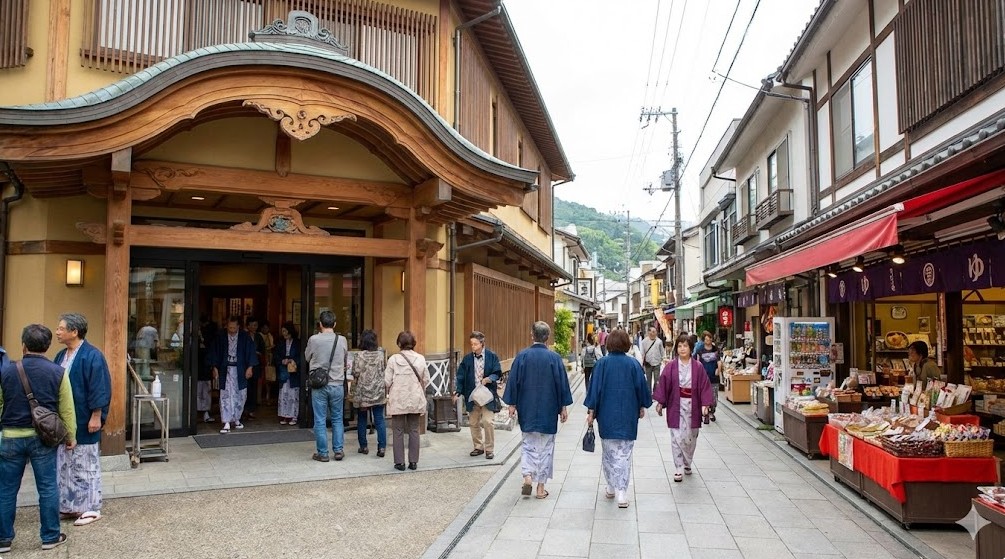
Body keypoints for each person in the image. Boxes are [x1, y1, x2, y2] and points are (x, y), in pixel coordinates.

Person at [0, 324, 77, 552]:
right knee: (47, 487)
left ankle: (3, 539)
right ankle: (50, 536)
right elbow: (67, 409)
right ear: (47, 346)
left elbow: (1, 404)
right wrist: (70, 436)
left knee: (6, 489)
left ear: (23, 345)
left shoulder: (7, 371)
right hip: (43, 438)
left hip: (11, 436)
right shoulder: (57, 372)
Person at [503, 321, 573, 500]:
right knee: (546, 448)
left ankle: (527, 475)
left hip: (527, 407)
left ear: (532, 335)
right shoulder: (554, 358)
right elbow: (562, 385)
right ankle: (540, 488)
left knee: (528, 444)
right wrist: (563, 407)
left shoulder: (522, 356)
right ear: (547, 338)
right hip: (549, 408)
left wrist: (512, 404)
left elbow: (514, 382)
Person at [53, 312, 111, 527]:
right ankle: (70, 505)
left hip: (85, 417)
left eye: (61, 328)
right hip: (65, 420)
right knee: (66, 463)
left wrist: (97, 415)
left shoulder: (92, 355)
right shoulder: (61, 355)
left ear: (74, 331)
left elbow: (100, 387)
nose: (57, 332)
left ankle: (91, 506)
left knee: (86, 463)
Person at [584, 329, 652, 508]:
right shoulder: (633, 365)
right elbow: (642, 388)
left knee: (609, 454)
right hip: (628, 415)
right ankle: (622, 492)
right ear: (626, 344)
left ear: (609, 344)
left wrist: (591, 411)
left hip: (606, 415)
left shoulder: (601, 365)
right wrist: (642, 405)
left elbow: (594, 390)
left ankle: (611, 487)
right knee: (624, 455)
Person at [653, 334, 714, 483]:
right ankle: (678, 467)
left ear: (690, 348)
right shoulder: (671, 366)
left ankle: (688, 461)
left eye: (685, 346)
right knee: (676, 437)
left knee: (691, 437)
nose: (682, 349)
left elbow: (705, 386)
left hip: (692, 405)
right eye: (679, 346)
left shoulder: (698, 367)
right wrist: (660, 402)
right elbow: (664, 384)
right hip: (676, 404)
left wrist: (705, 404)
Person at [305, 310, 348, 462]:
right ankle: (338, 450)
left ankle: (323, 453)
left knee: (320, 419)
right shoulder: (342, 340)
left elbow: (307, 356)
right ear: (334, 324)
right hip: (337, 383)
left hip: (319, 384)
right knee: (337, 418)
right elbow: (344, 358)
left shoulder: (314, 339)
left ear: (320, 324)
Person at [384, 331, 429, 471]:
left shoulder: (393, 359)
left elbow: (386, 381)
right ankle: (413, 461)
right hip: (414, 397)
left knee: (397, 430)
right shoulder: (420, 359)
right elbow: (426, 379)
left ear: (399, 343)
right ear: (413, 343)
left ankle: (399, 462)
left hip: (398, 398)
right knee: (414, 429)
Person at [453, 331, 502, 460]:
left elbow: (497, 372)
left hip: (487, 395)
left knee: (487, 421)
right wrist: (458, 391)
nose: (473, 346)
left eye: (475, 344)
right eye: (471, 344)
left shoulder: (492, 356)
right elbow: (460, 376)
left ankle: (489, 449)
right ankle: (478, 447)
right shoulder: (467, 359)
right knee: (473, 422)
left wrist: (489, 378)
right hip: (473, 394)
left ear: (482, 343)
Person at [208, 316, 258, 434]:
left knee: (240, 395)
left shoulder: (244, 337)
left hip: (240, 369)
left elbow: (251, 352)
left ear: (238, 327)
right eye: (229, 327)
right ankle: (226, 421)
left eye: (233, 328)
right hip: (225, 369)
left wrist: (250, 368)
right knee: (226, 395)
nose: (231, 330)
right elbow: (214, 353)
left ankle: (237, 418)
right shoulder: (221, 336)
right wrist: (215, 368)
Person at [352, 329, 386, 457]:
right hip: (378, 391)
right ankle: (381, 447)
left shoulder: (358, 356)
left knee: (361, 419)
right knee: (379, 419)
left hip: (363, 393)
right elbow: (384, 370)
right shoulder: (381, 355)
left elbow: (355, 373)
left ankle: (363, 446)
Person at [274, 322, 301, 426]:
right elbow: (276, 356)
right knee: (283, 393)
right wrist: (282, 361)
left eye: (285, 330)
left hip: (294, 372)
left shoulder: (298, 343)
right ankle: (284, 415)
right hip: (283, 372)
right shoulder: (280, 343)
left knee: (293, 394)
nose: (283, 333)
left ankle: (294, 416)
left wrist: (293, 361)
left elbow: (300, 357)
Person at [695, 331, 722, 422]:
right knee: (704, 395)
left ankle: (711, 411)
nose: (708, 341)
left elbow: (719, 361)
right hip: (703, 377)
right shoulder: (700, 350)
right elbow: (696, 362)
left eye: (710, 339)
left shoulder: (715, 349)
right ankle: (706, 413)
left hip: (714, 376)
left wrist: (719, 369)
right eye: (706, 339)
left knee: (714, 397)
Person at [196, 318, 218, 423]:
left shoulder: (208, 339)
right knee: (203, 390)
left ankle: (204, 412)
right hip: (202, 368)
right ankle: (204, 412)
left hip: (203, 368)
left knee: (203, 390)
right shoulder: (201, 339)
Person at [245, 318, 266, 420]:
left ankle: (251, 410)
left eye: (255, 325)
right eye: (252, 325)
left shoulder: (259, 337)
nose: (254, 327)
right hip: (245, 365)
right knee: (246, 388)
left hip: (256, 365)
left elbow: (263, 349)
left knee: (253, 388)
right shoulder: (244, 336)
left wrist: (258, 353)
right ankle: (244, 410)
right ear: (248, 326)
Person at [640, 327, 666, 393]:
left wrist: (664, 359)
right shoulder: (644, 342)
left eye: (655, 332)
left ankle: (655, 393)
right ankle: (649, 394)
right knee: (648, 380)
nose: (654, 333)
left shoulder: (659, 341)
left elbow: (662, 351)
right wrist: (642, 362)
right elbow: (642, 353)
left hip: (657, 362)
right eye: (652, 332)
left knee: (657, 379)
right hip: (648, 363)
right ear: (649, 332)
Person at [259, 320, 275, 407]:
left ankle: (267, 397)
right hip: (262, 359)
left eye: (267, 328)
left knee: (269, 379)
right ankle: (260, 398)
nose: (266, 329)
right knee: (262, 379)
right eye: (264, 328)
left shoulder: (270, 336)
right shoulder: (259, 336)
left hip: (269, 358)